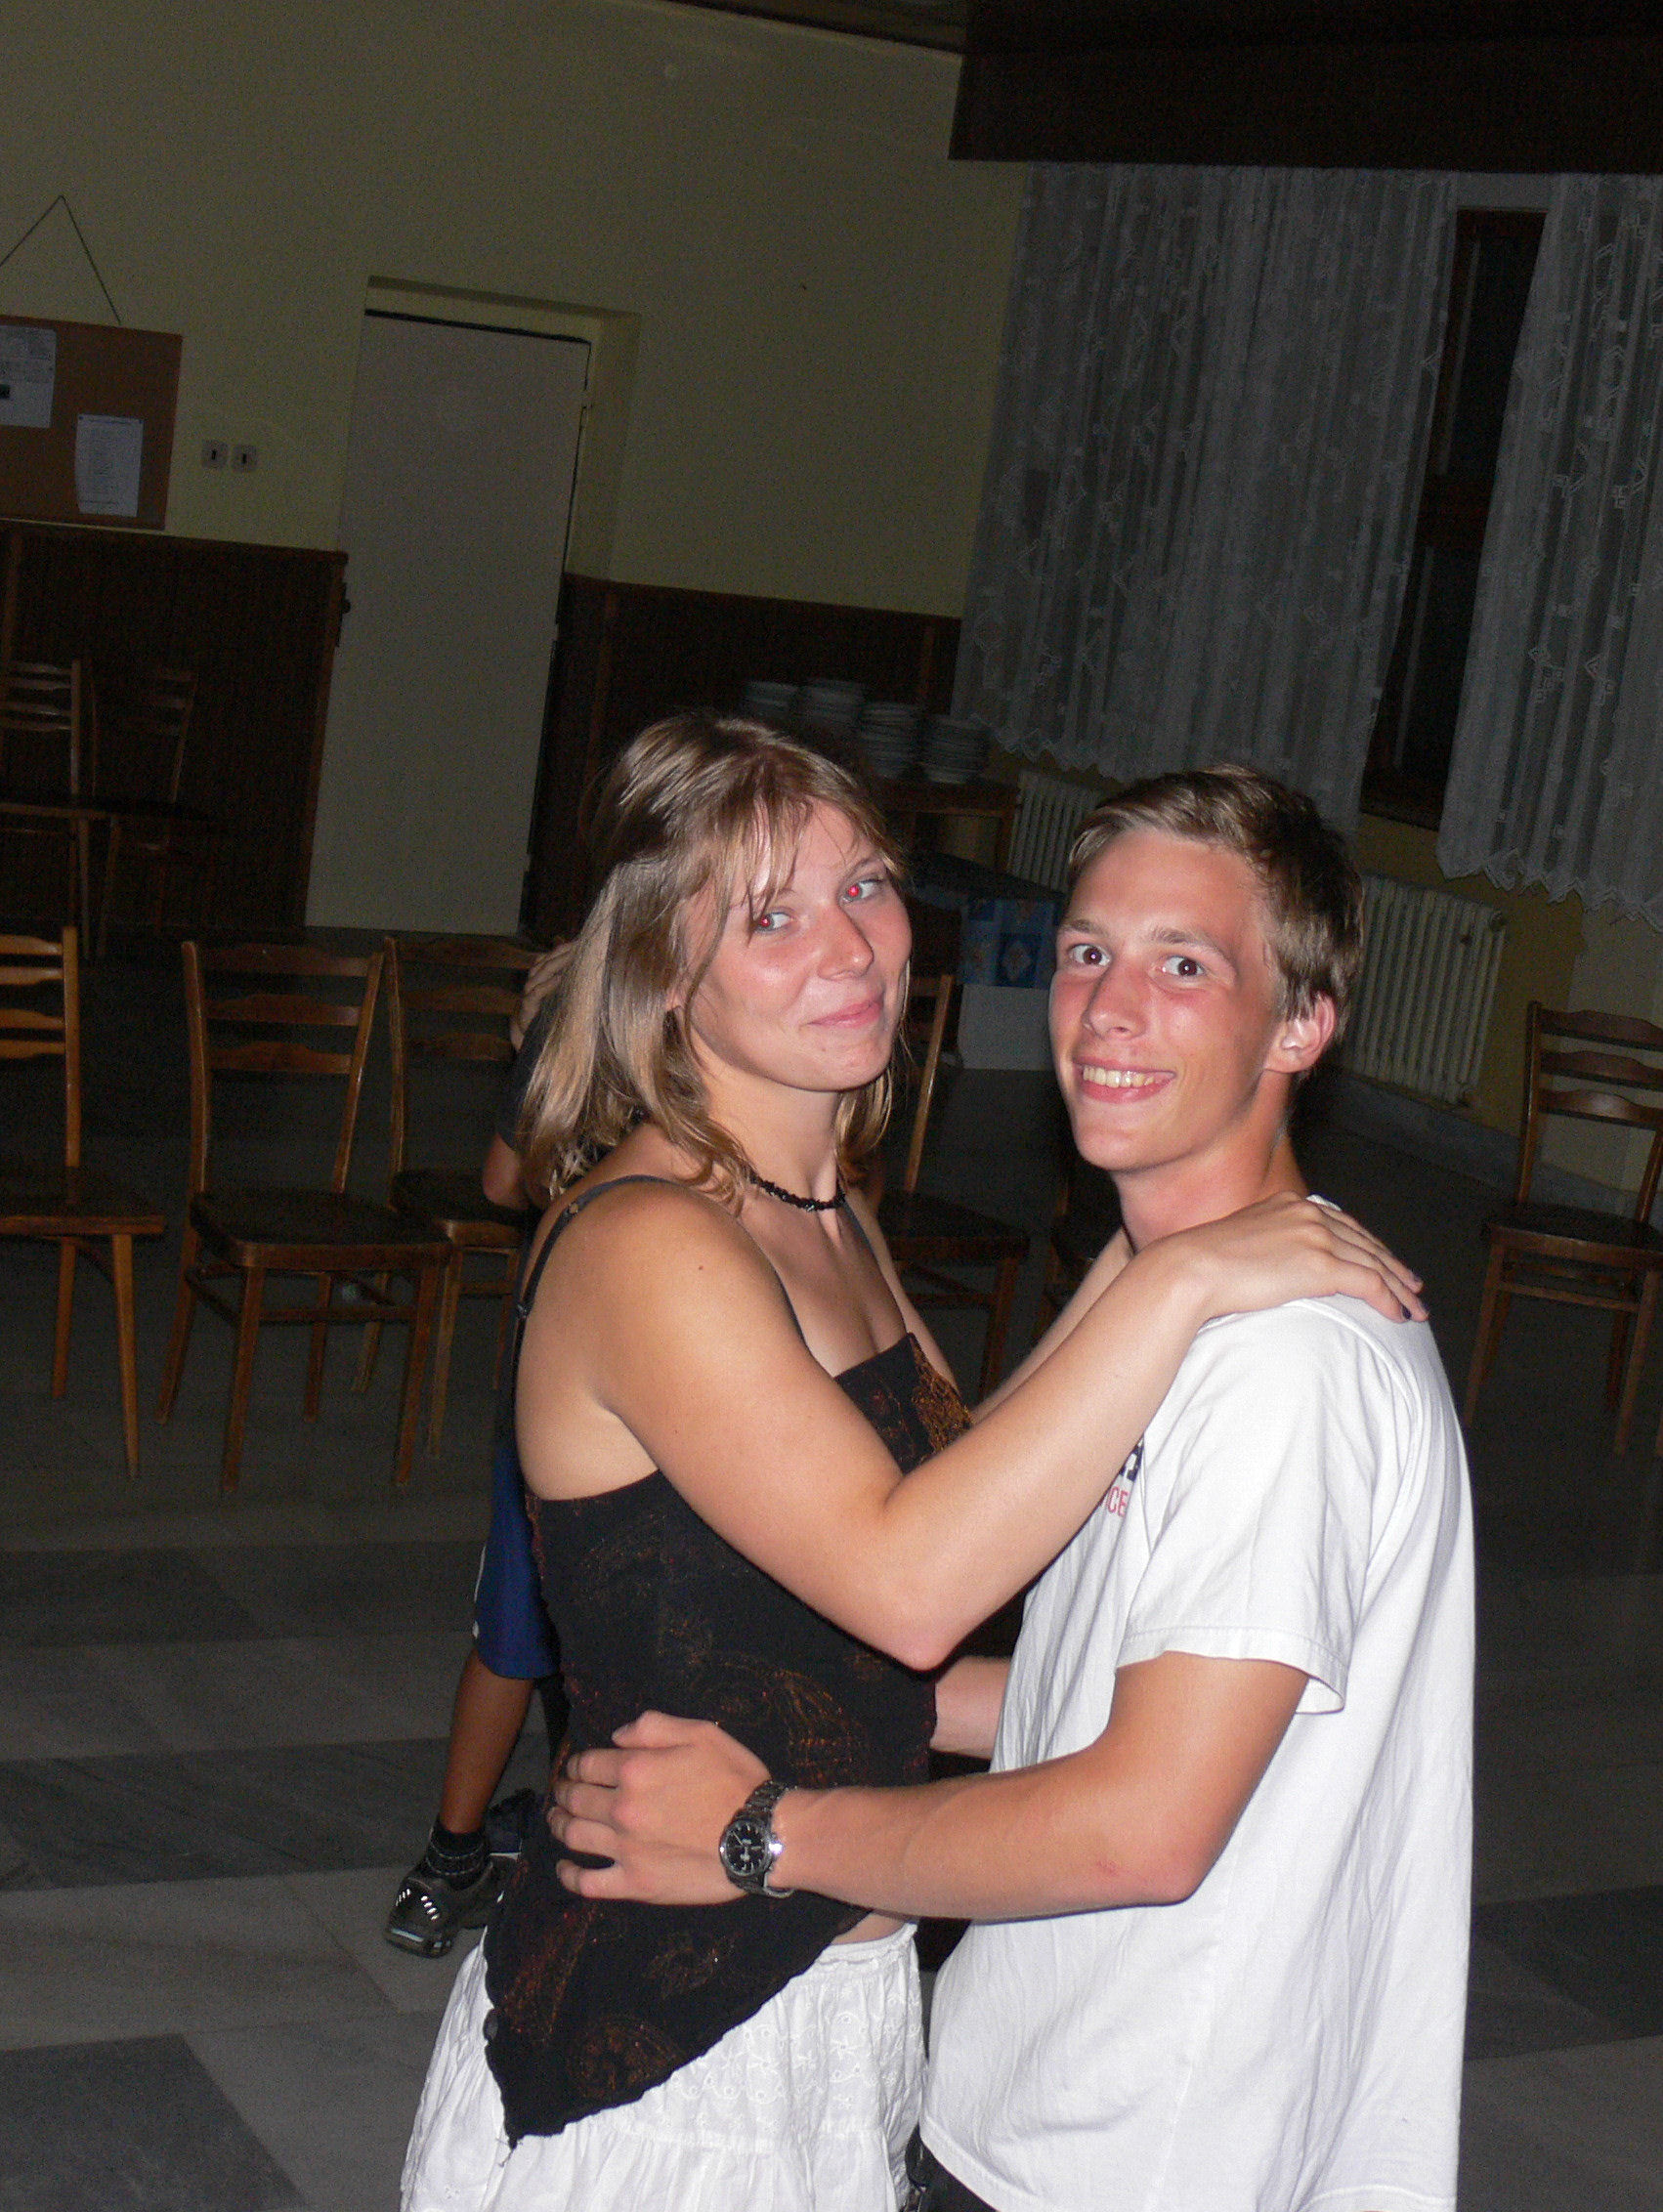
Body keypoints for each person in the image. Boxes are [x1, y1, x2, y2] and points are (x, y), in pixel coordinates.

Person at [403, 725, 1427, 2212]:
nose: (851, 949)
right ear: (664, 971)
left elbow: (940, 1503)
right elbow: (908, 1583)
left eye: (867, 886)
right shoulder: (653, 1244)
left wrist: (1155, 1253)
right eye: (771, 916)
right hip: (663, 2042)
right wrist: (1177, 1278)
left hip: (839, 2000)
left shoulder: (821, 1210)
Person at [385, 952, 570, 1957]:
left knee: (528, 1613)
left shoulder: (586, 995)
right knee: (581, 1617)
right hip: (659, 1349)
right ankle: (555, 1847)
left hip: (578, 1354)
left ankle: (459, 1858)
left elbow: (504, 1178)